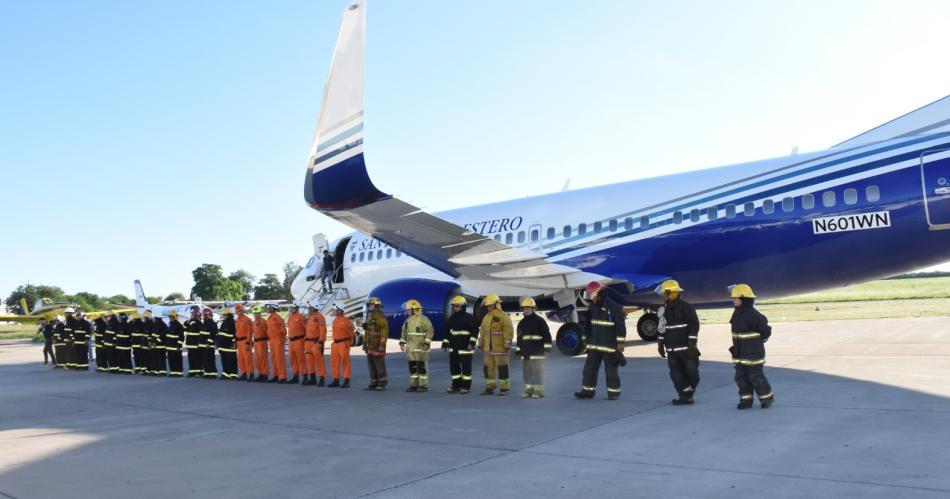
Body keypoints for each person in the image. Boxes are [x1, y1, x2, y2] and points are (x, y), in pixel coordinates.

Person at [574, 282, 626, 401]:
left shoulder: (612, 307)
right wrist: (586, 340)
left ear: (598, 293)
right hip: (594, 346)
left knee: (611, 370)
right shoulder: (592, 307)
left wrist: (621, 342)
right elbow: (588, 325)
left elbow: (620, 325)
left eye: (591, 294)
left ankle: (614, 393)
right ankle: (587, 391)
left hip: (609, 346)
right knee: (589, 369)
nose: (590, 297)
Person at [729, 284, 775, 409]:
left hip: (753, 354)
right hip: (740, 354)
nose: (733, 300)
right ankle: (746, 401)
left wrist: (758, 343)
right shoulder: (737, 314)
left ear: (743, 299)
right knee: (741, 378)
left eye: (735, 298)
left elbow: (765, 331)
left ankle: (767, 399)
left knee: (756, 377)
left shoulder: (753, 314)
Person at [656, 279, 701, 405]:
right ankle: (685, 396)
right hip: (671, 351)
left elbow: (694, 325)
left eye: (664, 293)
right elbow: (661, 328)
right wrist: (660, 343)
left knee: (693, 374)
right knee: (676, 375)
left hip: (686, 349)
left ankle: (688, 393)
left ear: (671, 293)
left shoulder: (686, 307)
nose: (662, 296)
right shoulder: (662, 310)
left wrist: (692, 343)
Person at [516, 297, 552, 399]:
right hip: (526, 353)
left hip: (538, 353)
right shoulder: (521, 323)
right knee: (527, 373)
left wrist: (547, 350)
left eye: (528, 308)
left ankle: (538, 391)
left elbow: (547, 337)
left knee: (537, 372)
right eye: (524, 308)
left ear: (533, 309)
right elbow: (519, 339)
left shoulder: (540, 321)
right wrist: (518, 351)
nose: (526, 310)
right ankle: (529, 390)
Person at [478, 294, 513, 396]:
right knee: (488, 369)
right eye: (487, 306)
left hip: (500, 349)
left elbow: (508, 331)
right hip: (488, 350)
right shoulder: (486, 317)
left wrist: (507, 345)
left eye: (490, 305)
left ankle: (504, 389)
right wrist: (481, 343)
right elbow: (483, 332)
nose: (488, 308)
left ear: (496, 305)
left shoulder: (503, 316)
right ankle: (489, 387)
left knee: (502, 369)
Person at [442, 296, 477, 394]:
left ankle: (466, 387)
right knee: (454, 369)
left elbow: (474, 332)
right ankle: (456, 385)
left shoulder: (469, 318)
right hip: (453, 348)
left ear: (463, 306)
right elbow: (447, 333)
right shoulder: (451, 319)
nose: (455, 308)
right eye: (454, 306)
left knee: (466, 369)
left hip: (466, 348)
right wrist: (445, 343)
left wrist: (471, 343)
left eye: (457, 306)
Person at [399, 300, 433, 392]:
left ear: (415, 309)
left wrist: (427, 343)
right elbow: (404, 332)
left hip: (421, 348)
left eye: (409, 310)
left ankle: (423, 385)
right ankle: (413, 385)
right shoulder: (408, 321)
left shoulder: (423, 319)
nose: (407, 312)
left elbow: (430, 331)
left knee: (421, 367)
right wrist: (402, 342)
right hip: (410, 349)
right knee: (412, 368)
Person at [362, 297, 388, 391]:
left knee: (379, 365)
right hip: (370, 346)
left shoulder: (381, 317)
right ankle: (373, 382)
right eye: (369, 304)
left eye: (371, 304)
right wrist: (364, 343)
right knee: (371, 365)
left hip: (377, 346)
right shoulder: (369, 316)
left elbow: (384, 333)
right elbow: (367, 332)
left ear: (376, 306)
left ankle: (382, 383)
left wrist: (382, 345)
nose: (369, 306)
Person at [328, 303, 354, 388]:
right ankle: (336, 380)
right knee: (334, 363)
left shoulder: (347, 321)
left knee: (345, 362)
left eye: (336, 310)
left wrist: (347, 343)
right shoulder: (335, 320)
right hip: (335, 344)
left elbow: (351, 334)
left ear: (340, 310)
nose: (334, 311)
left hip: (343, 343)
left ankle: (347, 381)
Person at [304, 305, 327, 386]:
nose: (308, 310)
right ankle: (312, 378)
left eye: (309, 308)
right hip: (308, 342)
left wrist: (321, 342)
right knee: (309, 361)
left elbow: (323, 331)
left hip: (316, 342)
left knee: (319, 361)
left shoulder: (320, 317)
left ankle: (321, 378)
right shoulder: (309, 318)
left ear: (313, 308)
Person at [266, 304, 287, 383]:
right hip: (272, 340)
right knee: (274, 358)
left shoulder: (278, 318)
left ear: (273, 308)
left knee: (279, 358)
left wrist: (282, 339)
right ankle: (276, 375)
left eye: (269, 307)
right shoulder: (269, 318)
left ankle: (282, 377)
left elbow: (283, 330)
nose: (268, 309)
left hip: (278, 339)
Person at [287, 303, 307, 384]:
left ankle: (305, 376)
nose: (291, 309)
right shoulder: (290, 318)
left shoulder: (301, 317)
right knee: (292, 359)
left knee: (301, 359)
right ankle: (295, 376)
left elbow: (306, 329)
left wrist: (305, 340)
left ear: (297, 308)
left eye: (292, 307)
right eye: (290, 307)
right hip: (291, 341)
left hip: (299, 340)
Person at [234, 304, 254, 381]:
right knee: (241, 359)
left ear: (243, 311)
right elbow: (236, 332)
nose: (238, 312)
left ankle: (251, 374)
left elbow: (250, 332)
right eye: (237, 311)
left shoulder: (247, 320)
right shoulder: (236, 320)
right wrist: (235, 342)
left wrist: (248, 342)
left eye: (240, 311)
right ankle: (244, 373)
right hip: (239, 342)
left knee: (248, 358)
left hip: (245, 341)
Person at [251, 306, 270, 382]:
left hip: (262, 342)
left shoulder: (263, 321)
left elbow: (267, 331)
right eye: (254, 314)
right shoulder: (254, 322)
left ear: (260, 313)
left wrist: (267, 339)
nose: (256, 315)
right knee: (257, 359)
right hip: (256, 342)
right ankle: (260, 374)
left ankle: (265, 375)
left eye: (257, 313)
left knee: (263, 359)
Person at [184, 306, 203, 378]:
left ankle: (199, 372)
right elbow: (184, 328)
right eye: (191, 314)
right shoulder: (191, 322)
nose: (191, 315)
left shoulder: (199, 323)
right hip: (190, 345)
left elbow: (201, 334)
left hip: (196, 345)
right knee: (191, 359)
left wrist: (199, 343)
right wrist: (189, 321)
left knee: (197, 359)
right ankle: (192, 372)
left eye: (193, 314)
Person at [201, 308, 219, 379]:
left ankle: (213, 374)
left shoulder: (212, 323)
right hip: (203, 345)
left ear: (209, 315)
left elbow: (213, 334)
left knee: (210, 360)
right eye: (203, 315)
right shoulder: (204, 323)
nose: (203, 316)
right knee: (205, 360)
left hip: (209, 346)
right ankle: (207, 373)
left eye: (205, 315)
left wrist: (209, 342)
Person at [165, 311, 185, 377]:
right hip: (169, 347)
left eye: (171, 317)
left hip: (176, 347)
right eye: (169, 317)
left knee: (177, 360)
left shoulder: (179, 325)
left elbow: (181, 337)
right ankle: (173, 372)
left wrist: (179, 345)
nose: (170, 318)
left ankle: (179, 373)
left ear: (175, 317)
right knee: (171, 360)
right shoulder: (170, 325)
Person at [140, 310, 155, 374]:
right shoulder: (145, 324)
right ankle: (147, 370)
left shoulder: (150, 323)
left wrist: (150, 342)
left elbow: (150, 334)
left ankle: (150, 370)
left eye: (145, 317)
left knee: (149, 358)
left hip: (148, 343)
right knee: (145, 358)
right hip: (144, 343)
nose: (144, 318)